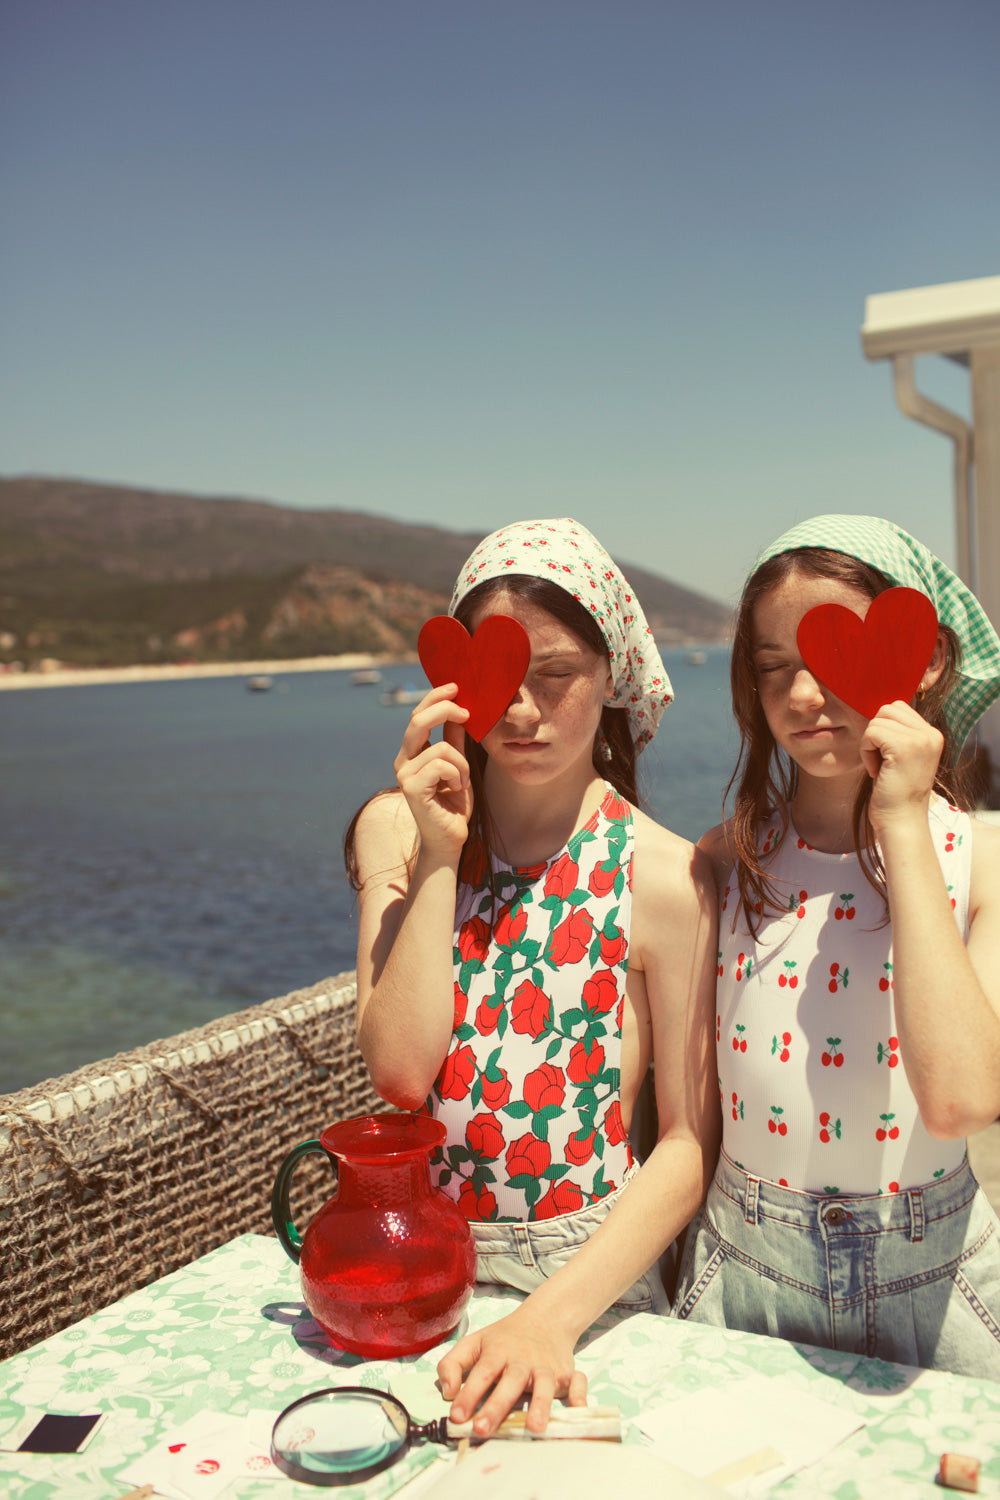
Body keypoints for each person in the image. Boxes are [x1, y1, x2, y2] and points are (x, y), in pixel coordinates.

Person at [346, 517, 719, 1433]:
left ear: (612, 676)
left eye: (555, 675)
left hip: (587, 1284)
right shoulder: (397, 831)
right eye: (495, 678)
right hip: (422, 1262)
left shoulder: (664, 875)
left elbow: (686, 1145)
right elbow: (400, 1074)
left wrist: (548, 1321)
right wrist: (441, 855)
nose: (521, 711)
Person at [673, 513, 1000, 1378]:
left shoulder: (983, 862)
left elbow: (961, 1102)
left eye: (837, 658)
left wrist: (902, 820)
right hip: (744, 1266)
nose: (803, 695)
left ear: (926, 660)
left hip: (936, 1273)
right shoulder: (723, 861)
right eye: (773, 667)